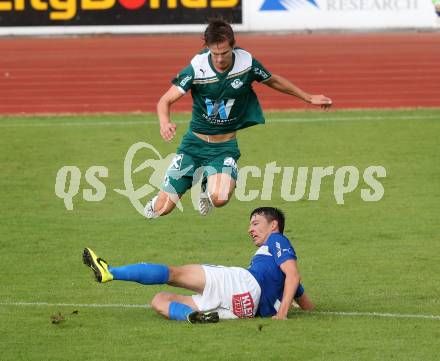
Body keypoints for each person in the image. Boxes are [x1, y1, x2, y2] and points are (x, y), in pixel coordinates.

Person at [144, 19, 332, 218]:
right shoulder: (197, 67)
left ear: (233, 45)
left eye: (224, 53)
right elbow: (165, 101)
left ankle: (208, 182)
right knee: (162, 210)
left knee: (220, 197)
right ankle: (160, 197)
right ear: (207, 48)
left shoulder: (246, 62)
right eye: (214, 53)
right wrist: (165, 123)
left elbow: (273, 80)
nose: (219, 59)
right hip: (193, 146)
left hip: (224, 147)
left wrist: (309, 97)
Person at [83, 207, 315, 323]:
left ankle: (110, 272)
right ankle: (193, 317)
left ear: (274, 225)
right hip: (242, 310)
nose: (250, 229)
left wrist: (283, 313)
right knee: (160, 300)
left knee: (174, 273)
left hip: (240, 285)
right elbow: (303, 299)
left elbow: (293, 275)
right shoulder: (277, 270)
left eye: (255, 223)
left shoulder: (277, 240)